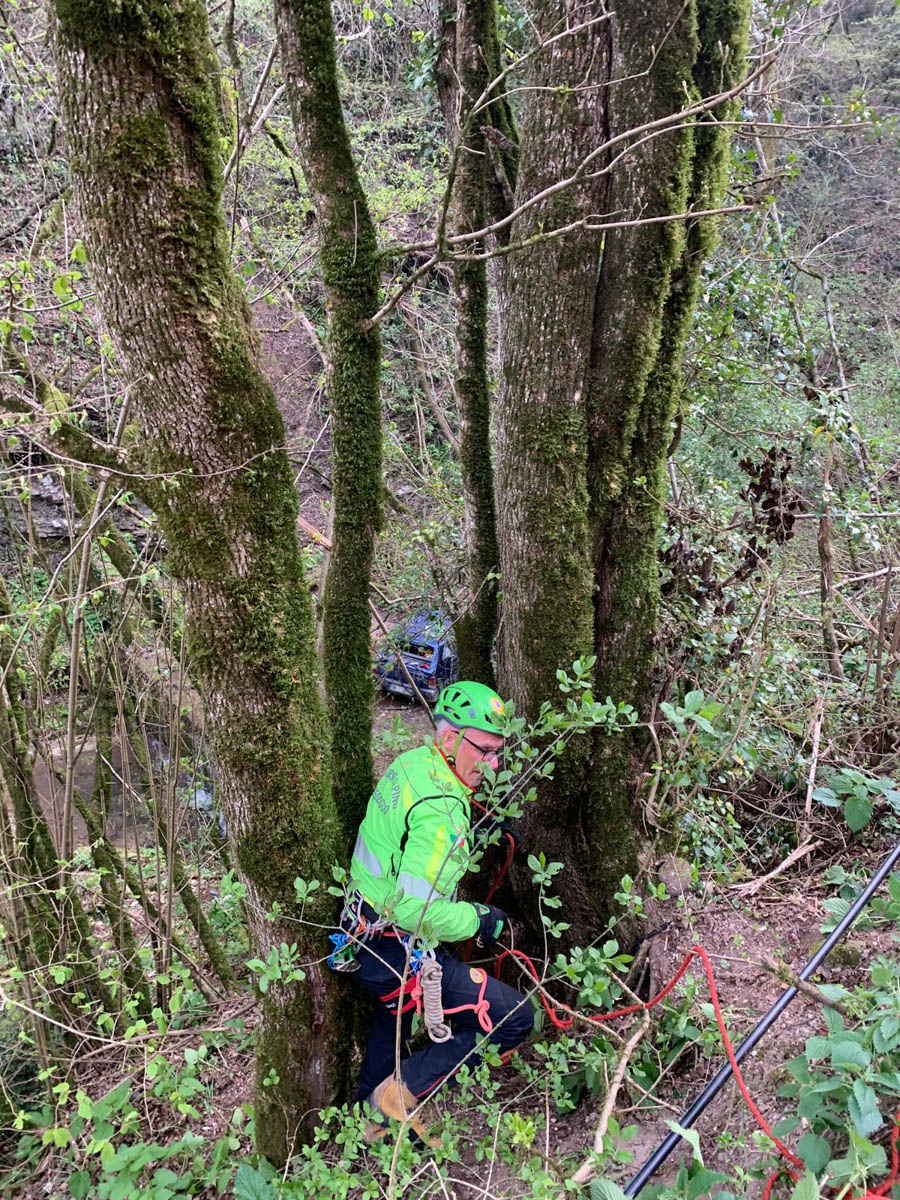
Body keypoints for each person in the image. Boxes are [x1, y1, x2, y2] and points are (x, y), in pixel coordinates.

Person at [341, 680, 534, 1144]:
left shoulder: (415, 764)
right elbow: (413, 908)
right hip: (393, 945)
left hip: (362, 932)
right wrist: (478, 919)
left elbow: (414, 833)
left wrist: (476, 819)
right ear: (450, 739)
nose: (491, 765)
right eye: (484, 752)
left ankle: (365, 1120)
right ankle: (393, 1100)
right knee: (513, 1017)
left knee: (394, 1014)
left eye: (497, 755)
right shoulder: (442, 811)